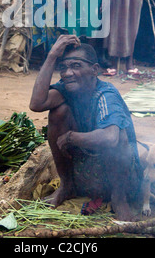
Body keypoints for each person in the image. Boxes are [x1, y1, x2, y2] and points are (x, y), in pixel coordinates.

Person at [30, 34, 143, 221]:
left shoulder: (106, 94)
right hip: (86, 175)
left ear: (94, 70)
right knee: (58, 113)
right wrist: (51, 56)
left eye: (76, 66)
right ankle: (67, 187)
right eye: (63, 67)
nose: (67, 73)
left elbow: (110, 138)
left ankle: (119, 198)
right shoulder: (67, 89)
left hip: (123, 179)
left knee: (118, 134)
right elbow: (37, 103)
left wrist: (70, 137)